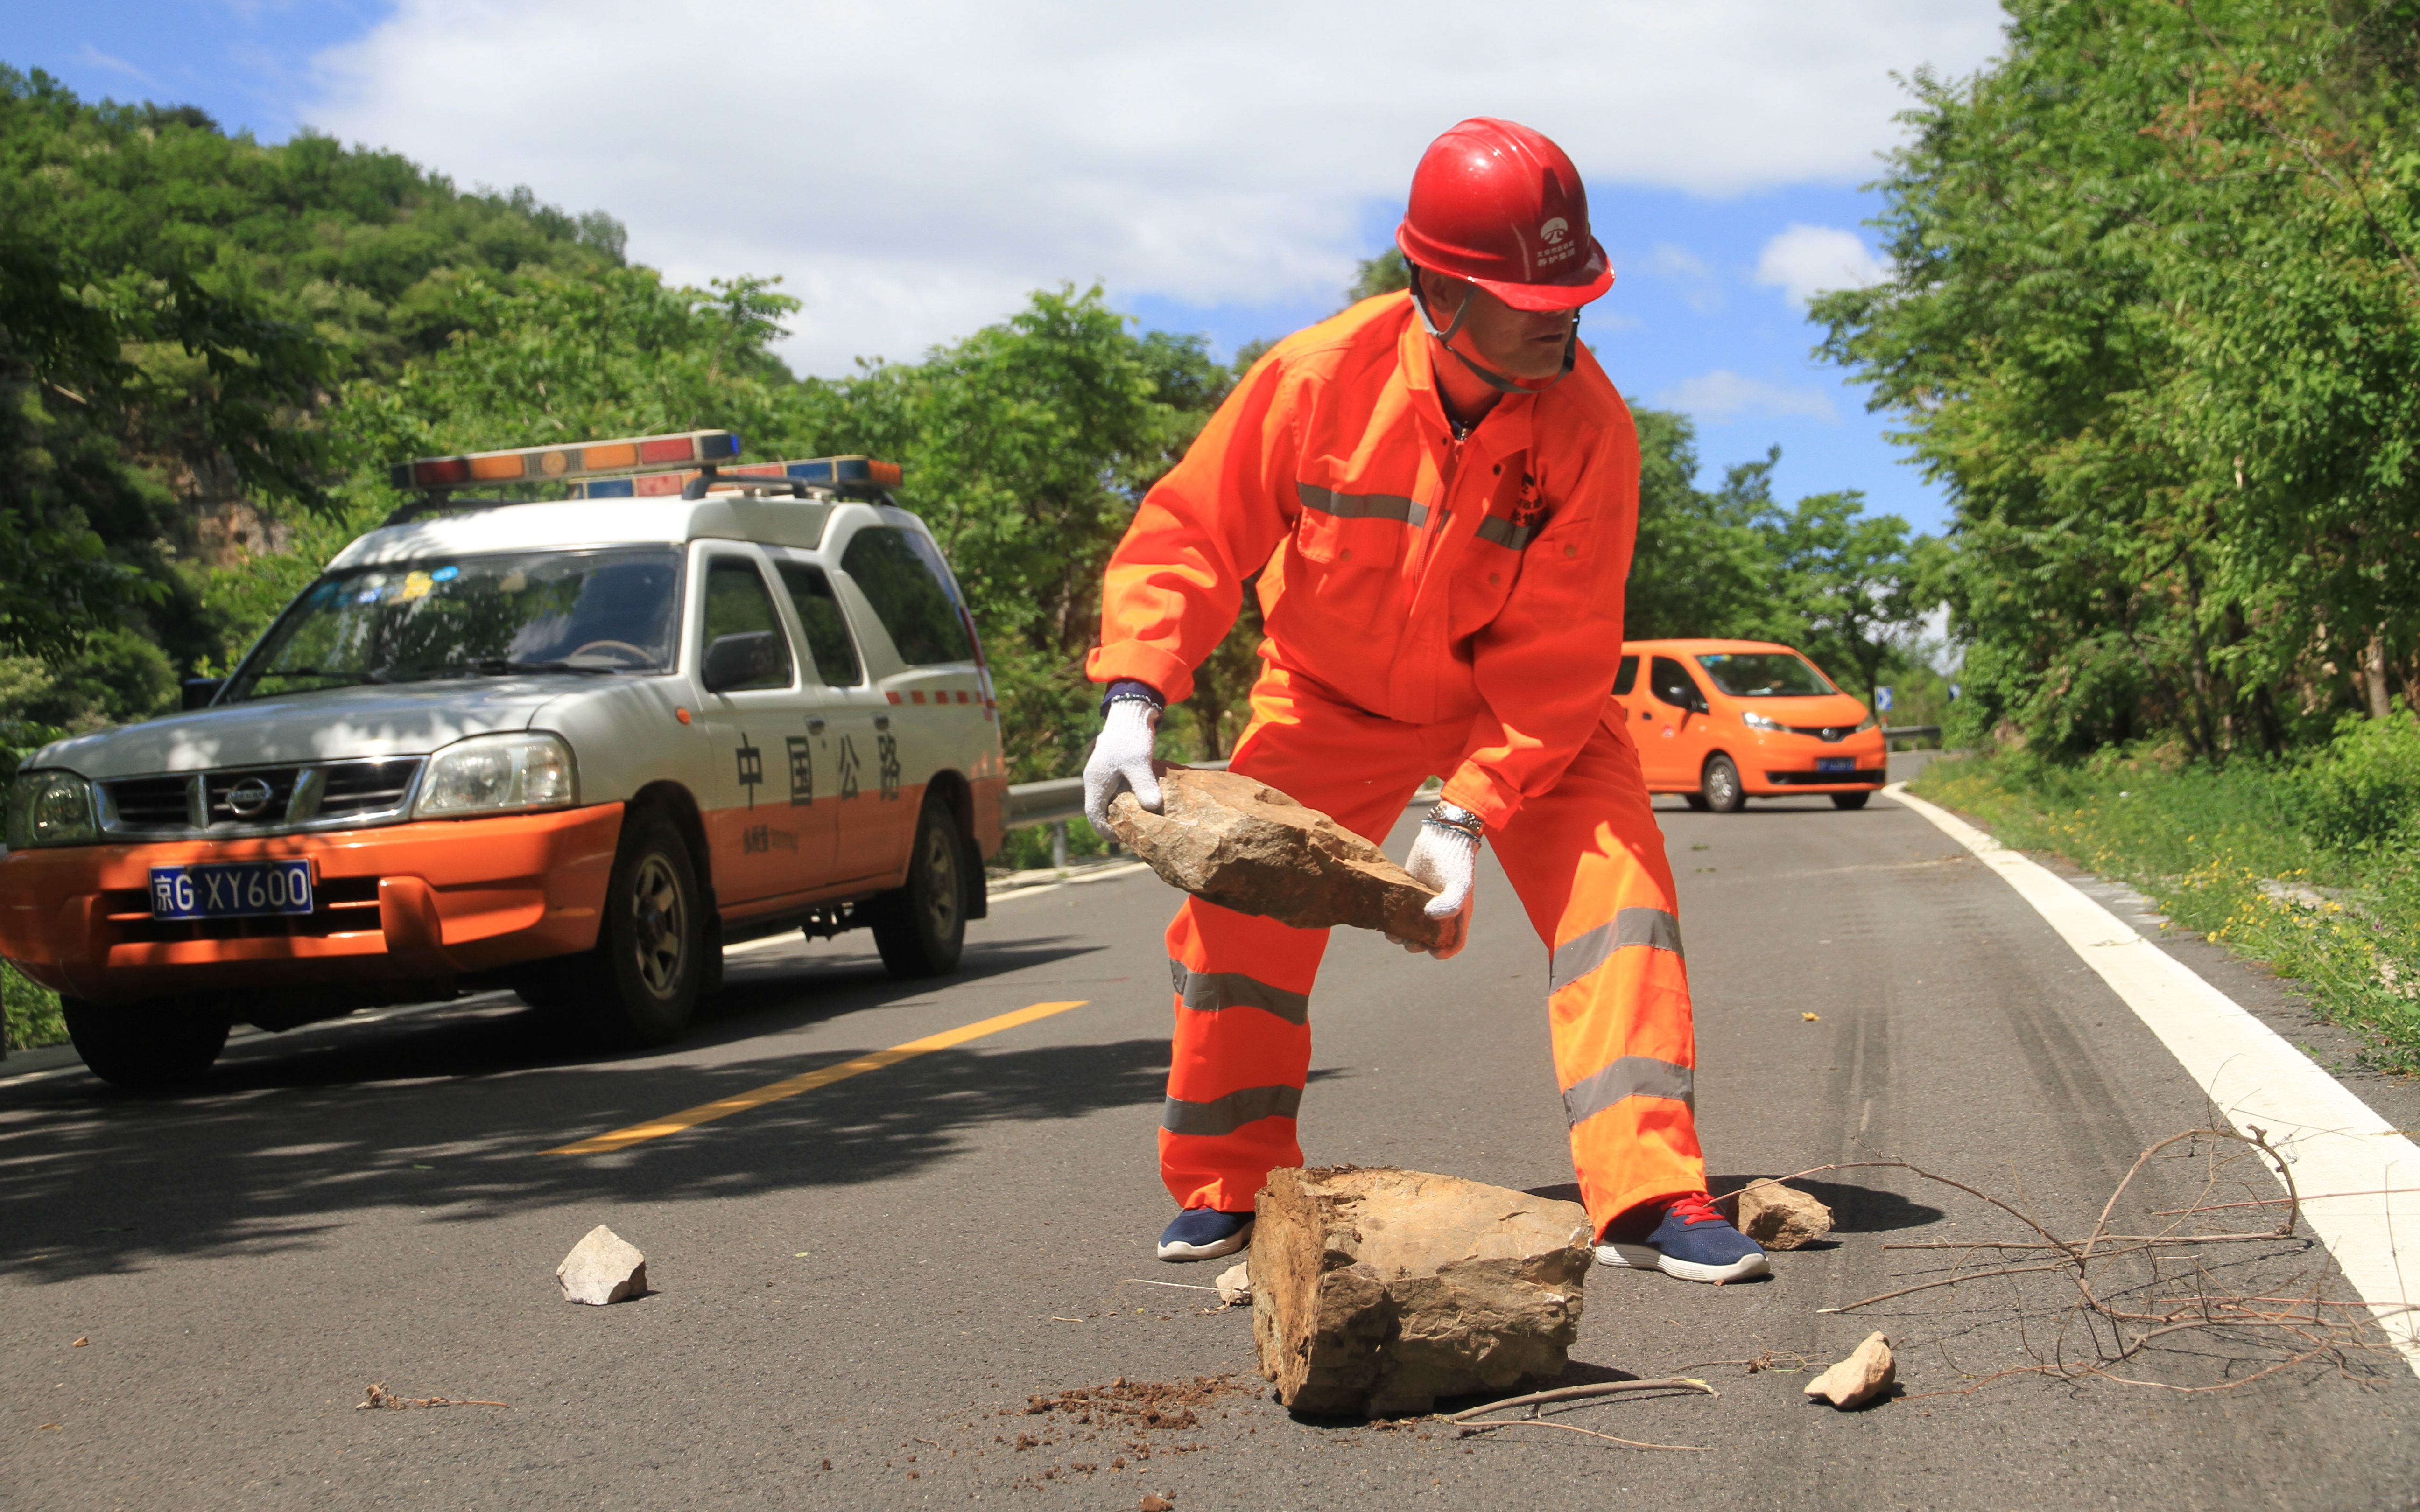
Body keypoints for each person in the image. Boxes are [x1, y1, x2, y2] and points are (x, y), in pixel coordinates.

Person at [1081, 118, 1767, 1286]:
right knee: (1237, 922)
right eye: (1530, 297)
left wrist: (1465, 811)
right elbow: (1194, 534)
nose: (1563, 318)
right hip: (1330, 698)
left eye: (1572, 293)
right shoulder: (1315, 382)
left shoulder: (1589, 427)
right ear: (1437, 290)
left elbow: (1560, 654)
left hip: (1521, 712)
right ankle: (1231, 1180)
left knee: (1622, 892)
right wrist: (1137, 691)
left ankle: (1648, 1193)